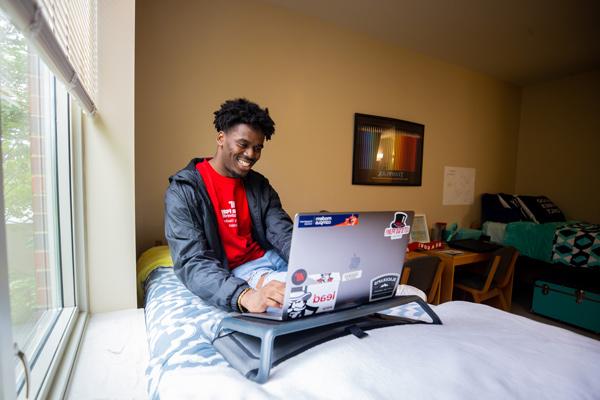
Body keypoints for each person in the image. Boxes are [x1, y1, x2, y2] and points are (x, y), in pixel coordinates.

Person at [164, 98, 292, 313]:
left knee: (331, 282)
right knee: (294, 297)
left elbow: (282, 232)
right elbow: (192, 260)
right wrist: (245, 295)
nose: (251, 154)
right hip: (241, 270)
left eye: (257, 148)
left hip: (273, 257)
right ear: (221, 138)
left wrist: (309, 260)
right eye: (243, 144)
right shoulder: (184, 190)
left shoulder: (259, 185)